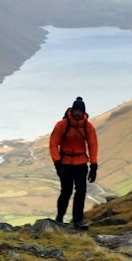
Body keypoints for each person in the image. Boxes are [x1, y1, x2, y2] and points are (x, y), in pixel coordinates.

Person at [49, 96, 99, 229]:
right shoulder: (62, 125)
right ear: (72, 110)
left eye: (80, 111)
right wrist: (57, 163)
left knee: (81, 190)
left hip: (81, 163)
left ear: (83, 112)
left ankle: (78, 220)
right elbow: (53, 144)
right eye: (76, 110)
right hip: (64, 163)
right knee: (66, 191)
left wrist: (93, 165)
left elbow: (93, 145)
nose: (77, 113)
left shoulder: (87, 126)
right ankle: (59, 218)